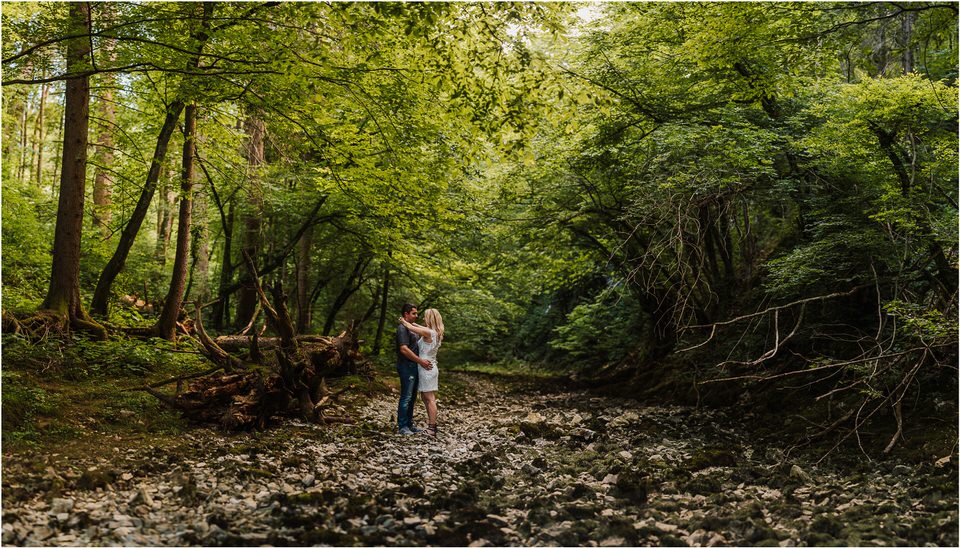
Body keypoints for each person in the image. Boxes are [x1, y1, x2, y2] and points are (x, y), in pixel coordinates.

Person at [399, 308, 444, 437]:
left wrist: (403, 320)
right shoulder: (435, 332)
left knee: (429, 399)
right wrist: (413, 323)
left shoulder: (428, 332)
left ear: (430, 319)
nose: (422, 318)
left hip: (426, 368)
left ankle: (432, 428)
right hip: (429, 367)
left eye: (425, 317)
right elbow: (417, 326)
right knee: (426, 398)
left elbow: (410, 326)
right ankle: (432, 426)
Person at [396, 304, 432, 435]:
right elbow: (404, 349)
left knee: (412, 397)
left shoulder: (412, 328)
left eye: (417, 313)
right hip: (406, 365)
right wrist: (421, 361)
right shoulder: (402, 328)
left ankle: (409, 424)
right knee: (406, 396)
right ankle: (402, 426)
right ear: (406, 314)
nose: (417, 316)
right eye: (414, 313)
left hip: (415, 366)